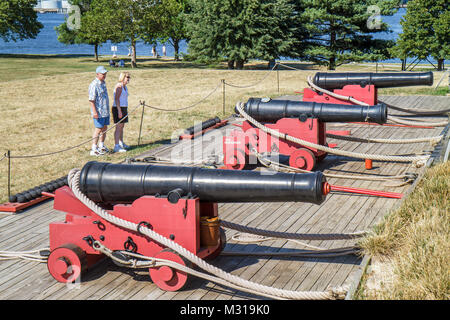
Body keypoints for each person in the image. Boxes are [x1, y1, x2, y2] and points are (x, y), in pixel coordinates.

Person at [88, 66, 110, 156]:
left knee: (104, 128)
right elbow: (91, 100)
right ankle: (94, 148)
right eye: (102, 74)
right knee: (98, 129)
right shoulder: (94, 85)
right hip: (99, 111)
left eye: (105, 73)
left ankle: (101, 145)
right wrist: (95, 112)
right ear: (97, 74)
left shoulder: (103, 83)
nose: (104, 75)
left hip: (105, 111)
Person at [112, 72, 131, 152]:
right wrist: (119, 111)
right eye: (127, 77)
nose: (129, 79)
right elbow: (116, 99)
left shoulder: (125, 87)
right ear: (123, 77)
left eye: (129, 77)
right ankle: (116, 146)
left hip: (123, 107)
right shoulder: (119, 86)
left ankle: (121, 143)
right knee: (118, 127)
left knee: (122, 127)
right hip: (118, 108)